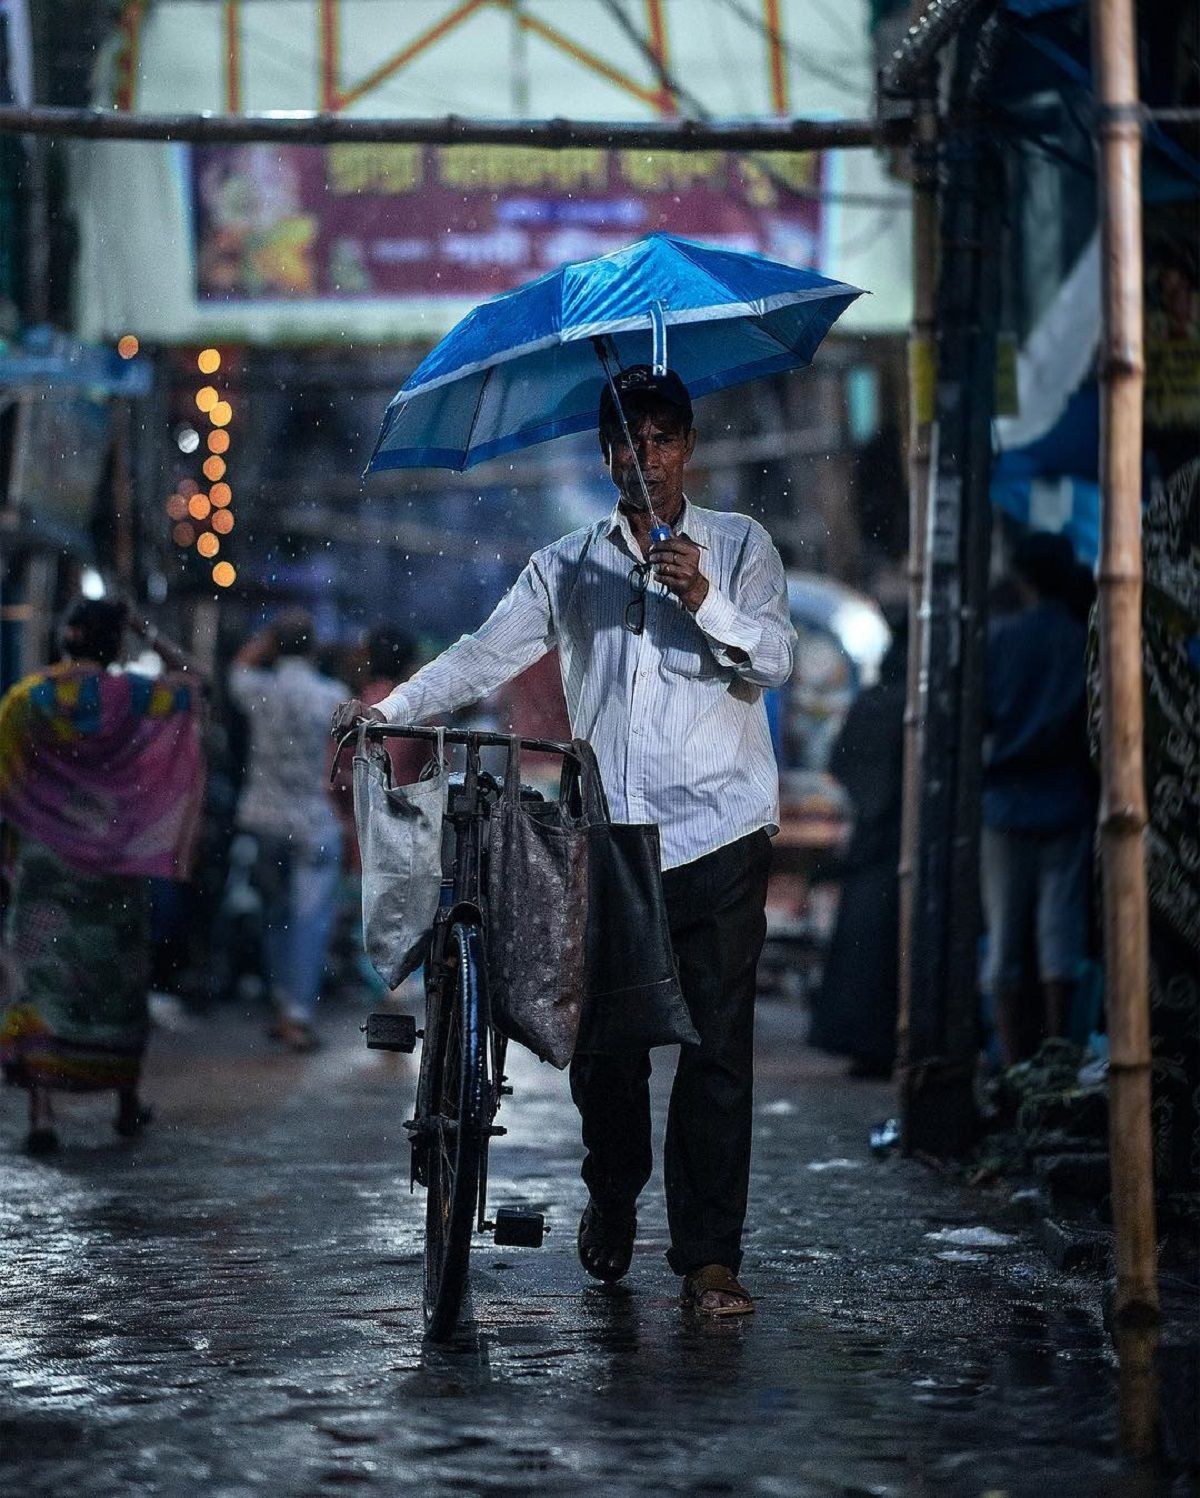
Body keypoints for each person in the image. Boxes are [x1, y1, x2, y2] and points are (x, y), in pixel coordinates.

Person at [334, 365, 796, 1315]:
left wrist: (703, 595)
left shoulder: (742, 547)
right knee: (606, 1053)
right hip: (613, 840)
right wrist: (393, 708)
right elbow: (486, 650)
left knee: (716, 1055)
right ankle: (613, 1195)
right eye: (628, 443)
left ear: (688, 450)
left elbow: (774, 659)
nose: (645, 459)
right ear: (606, 456)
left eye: (662, 440)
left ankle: (711, 1258)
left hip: (721, 831)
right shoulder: (568, 563)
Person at [0, 598, 205, 1153]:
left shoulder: (28, 700)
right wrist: (147, 631)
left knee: (44, 979)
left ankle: (42, 1117)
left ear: (65, 639)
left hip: (46, 862)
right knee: (116, 983)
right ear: (115, 643)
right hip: (114, 862)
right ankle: (126, 1103)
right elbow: (193, 679)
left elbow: (7, 781)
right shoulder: (137, 699)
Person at [980, 532, 1097, 1066]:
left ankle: (1011, 1059)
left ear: (1024, 578)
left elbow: (982, 717)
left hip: (1006, 802)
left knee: (1004, 937)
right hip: (1066, 801)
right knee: (1059, 933)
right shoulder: (1080, 637)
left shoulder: (1004, 639)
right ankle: (1057, 1052)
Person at [229, 610, 348, 1052]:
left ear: (276, 646)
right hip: (313, 821)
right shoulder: (331, 695)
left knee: (274, 915)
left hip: (264, 818)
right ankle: (299, 1012)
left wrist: (263, 645)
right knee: (309, 920)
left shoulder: (258, 688)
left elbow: (238, 667)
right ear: (314, 648)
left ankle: (282, 1004)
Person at [809, 619, 907, 1080]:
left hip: (869, 842)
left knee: (863, 942)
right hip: (898, 839)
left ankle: (862, 1042)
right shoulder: (914, 704)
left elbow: (842, 763)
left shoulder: (872, 703)